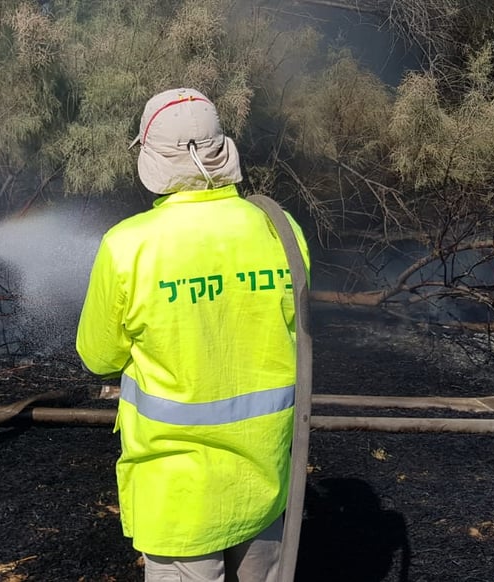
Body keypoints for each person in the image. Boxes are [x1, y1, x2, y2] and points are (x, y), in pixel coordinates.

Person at [75, 88, 309, 582]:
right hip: (263, 481)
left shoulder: (128, 246)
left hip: (177, 494)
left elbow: (98, 356)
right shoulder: (280, 229)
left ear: (151, 157)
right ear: (222, 149)